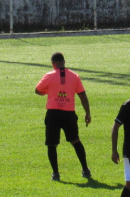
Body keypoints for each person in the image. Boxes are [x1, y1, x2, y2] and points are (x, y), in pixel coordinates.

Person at [35, 52, 92, 181]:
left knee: (52, 144)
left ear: (53, 64)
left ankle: (55, 174)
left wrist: (48, 91)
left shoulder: (49, 76)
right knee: (75, 141)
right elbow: (82, 95)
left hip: (53, 113)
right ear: (64, 62)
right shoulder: (74, 76)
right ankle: (85, 169)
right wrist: (87, 113)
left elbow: (38, 90)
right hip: (69, 113)